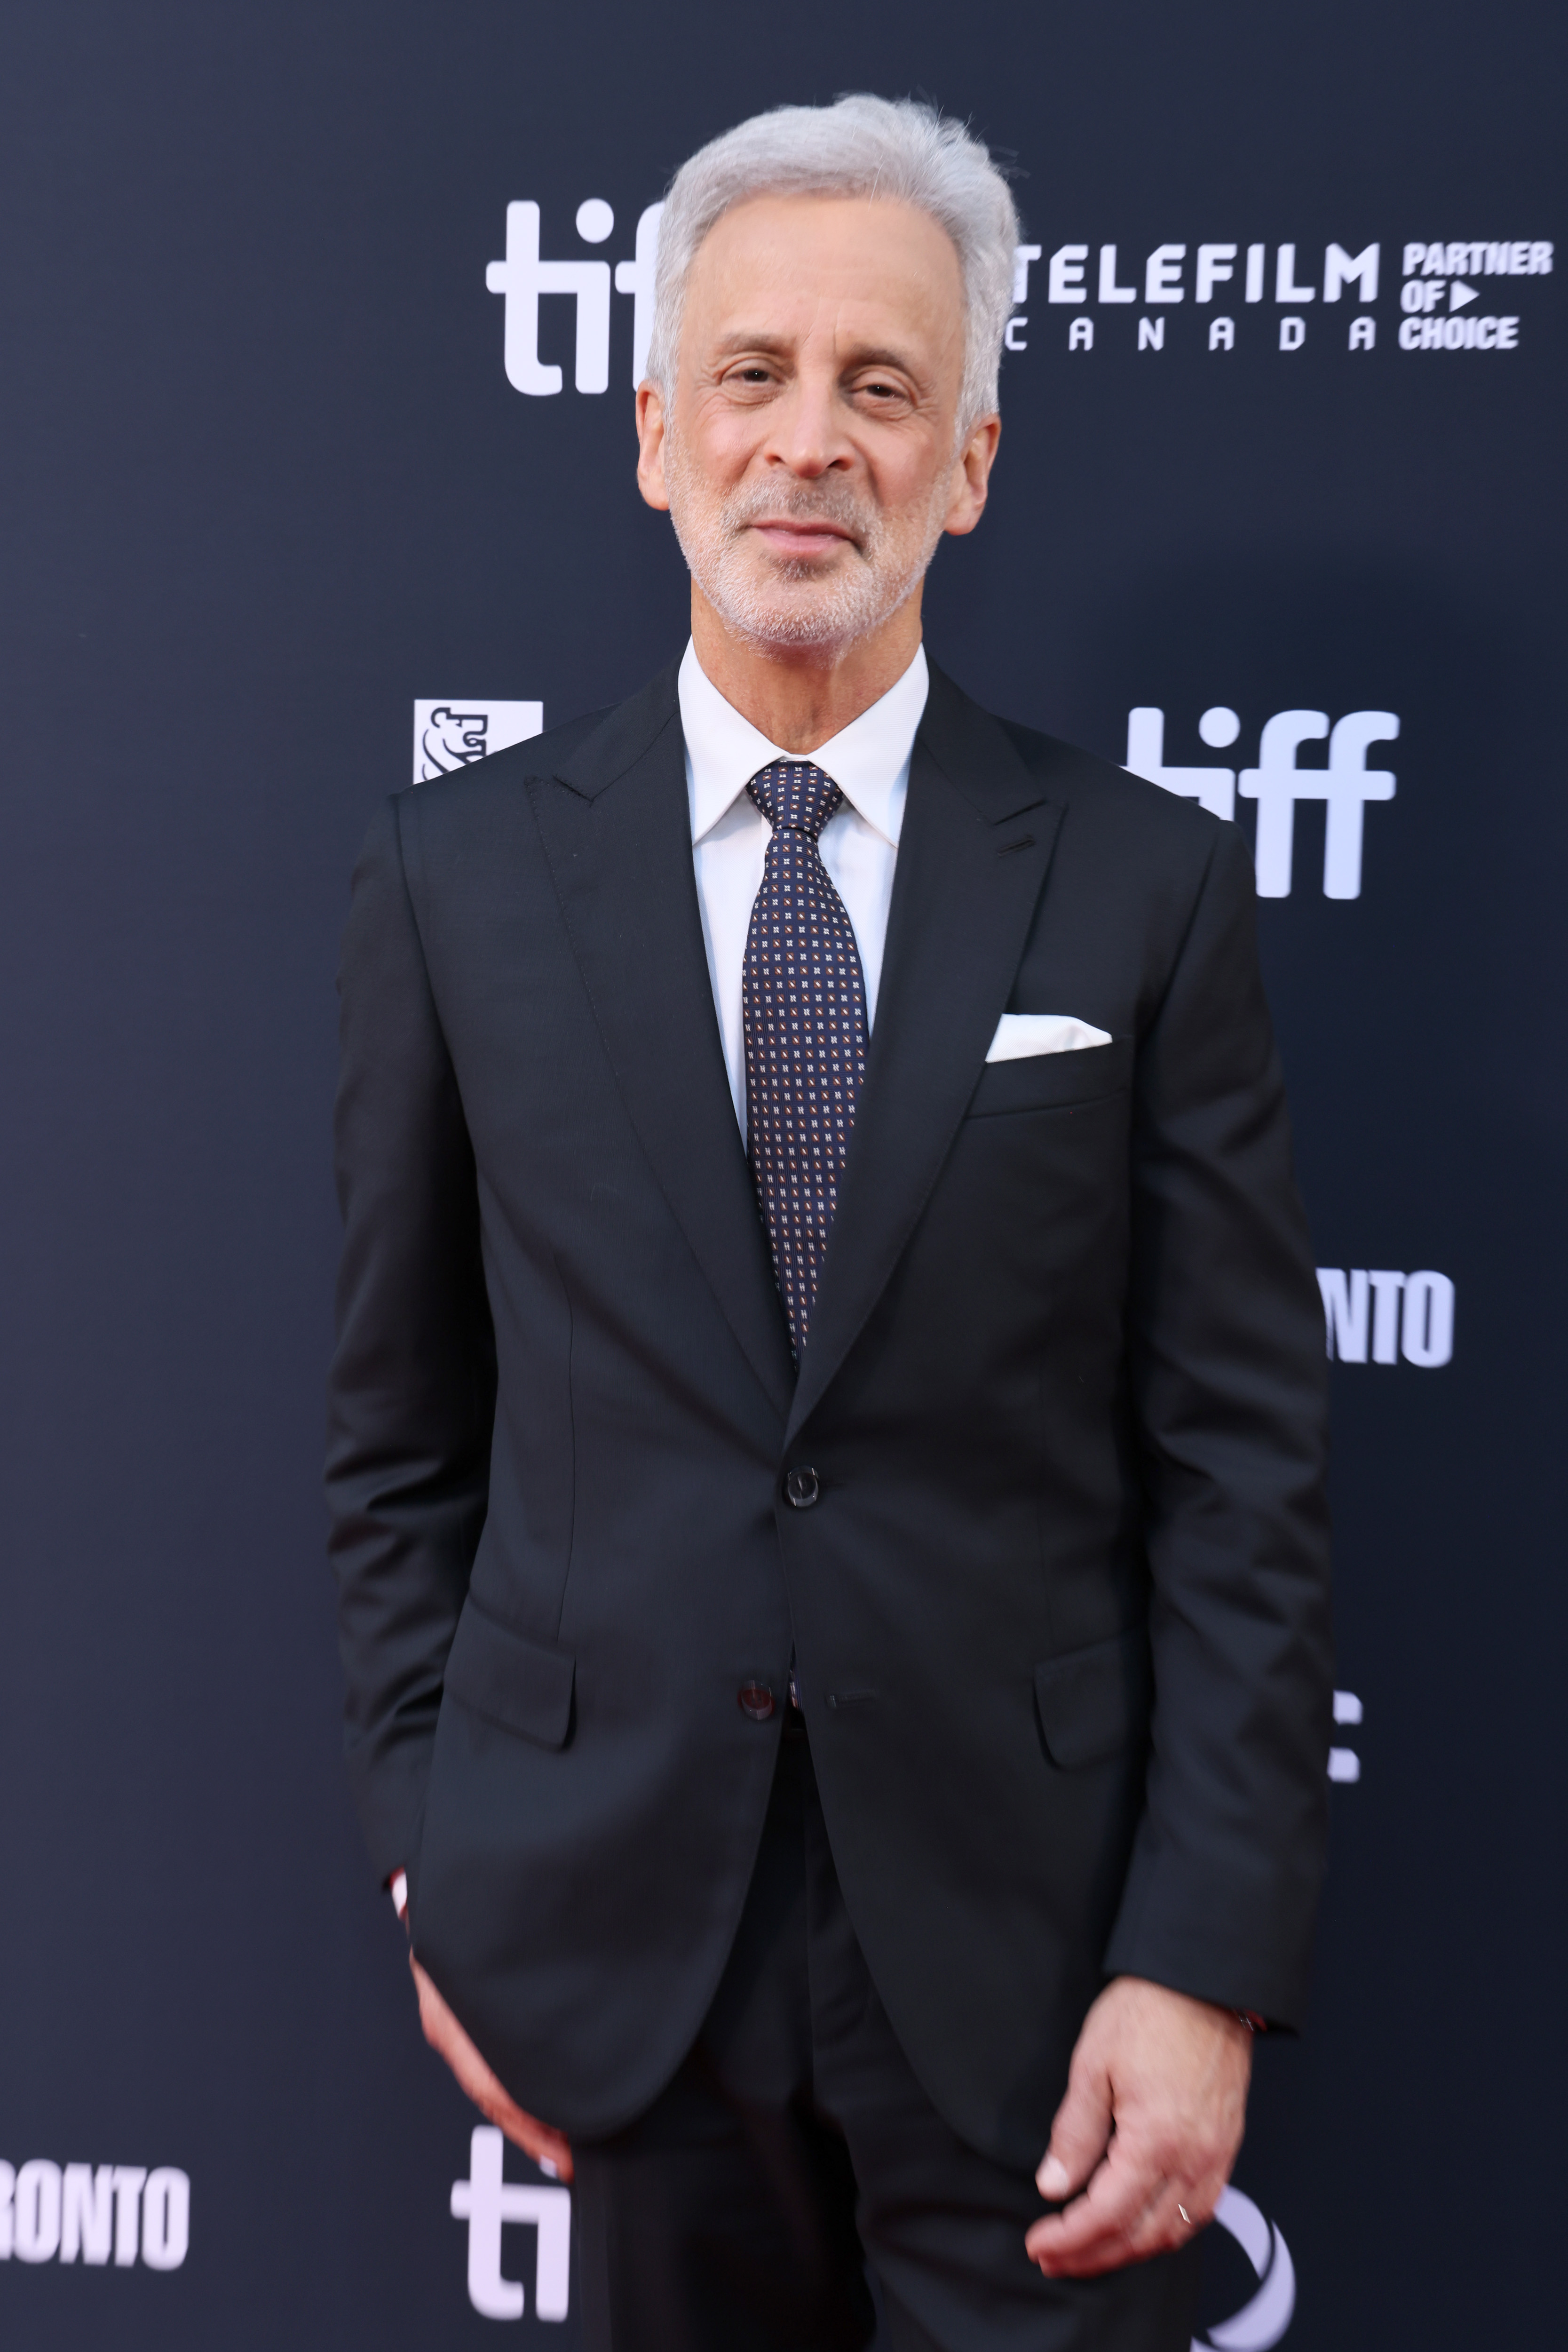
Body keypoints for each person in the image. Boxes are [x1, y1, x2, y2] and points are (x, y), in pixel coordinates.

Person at [327, 94, 1333, 2352]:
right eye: (756, 378)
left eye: (882, 386)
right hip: (618, 1959)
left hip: (1039, 1956)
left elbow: (1244, 1462)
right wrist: (436, 1861)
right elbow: (399, 1435)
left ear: (967, 458)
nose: (812, 443)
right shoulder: (454, 881)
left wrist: (1205, 1957)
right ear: (659, 433)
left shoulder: (1143, 880)